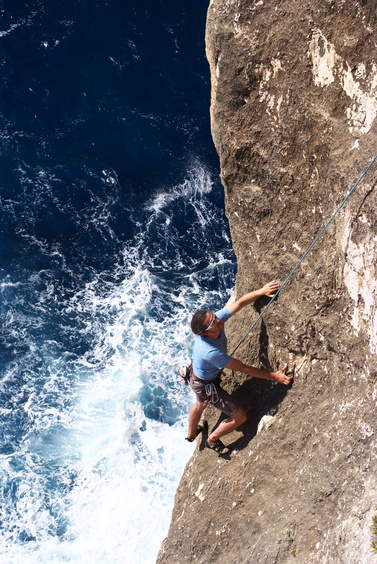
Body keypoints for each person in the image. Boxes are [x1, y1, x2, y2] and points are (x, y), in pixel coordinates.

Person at [186, 280, 293, 454]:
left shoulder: (215, 322)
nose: (218, 320)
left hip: (199, 378)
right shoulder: (210, 351)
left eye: (214, 316)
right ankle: (212, 440)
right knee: (240, 417)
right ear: (205, 333)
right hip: (206, 385)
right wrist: (274, 376)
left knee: (200, 403)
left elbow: (239, 303)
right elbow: (243, 368)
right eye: (213, 322)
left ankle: (191, 435)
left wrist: (261, 290)